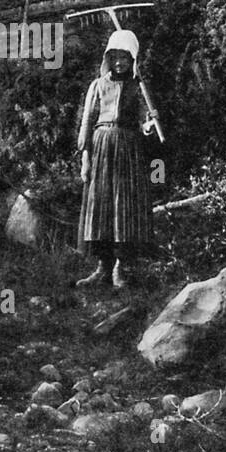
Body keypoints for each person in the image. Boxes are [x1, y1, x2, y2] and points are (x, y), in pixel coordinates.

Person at [75, 29, 158, 289]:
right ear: (107, 59)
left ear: (133, 60)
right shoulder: (97, 86)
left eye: (125, 58)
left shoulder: (138, 86)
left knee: (123, 204)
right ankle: (102, 266)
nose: (119, 63)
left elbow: (144, 122)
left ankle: (120, 267)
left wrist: (150, 123)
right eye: (115, 57)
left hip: (127, 149)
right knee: (100, 204)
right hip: (100, 148)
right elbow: (87, 123)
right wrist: (85, 158)